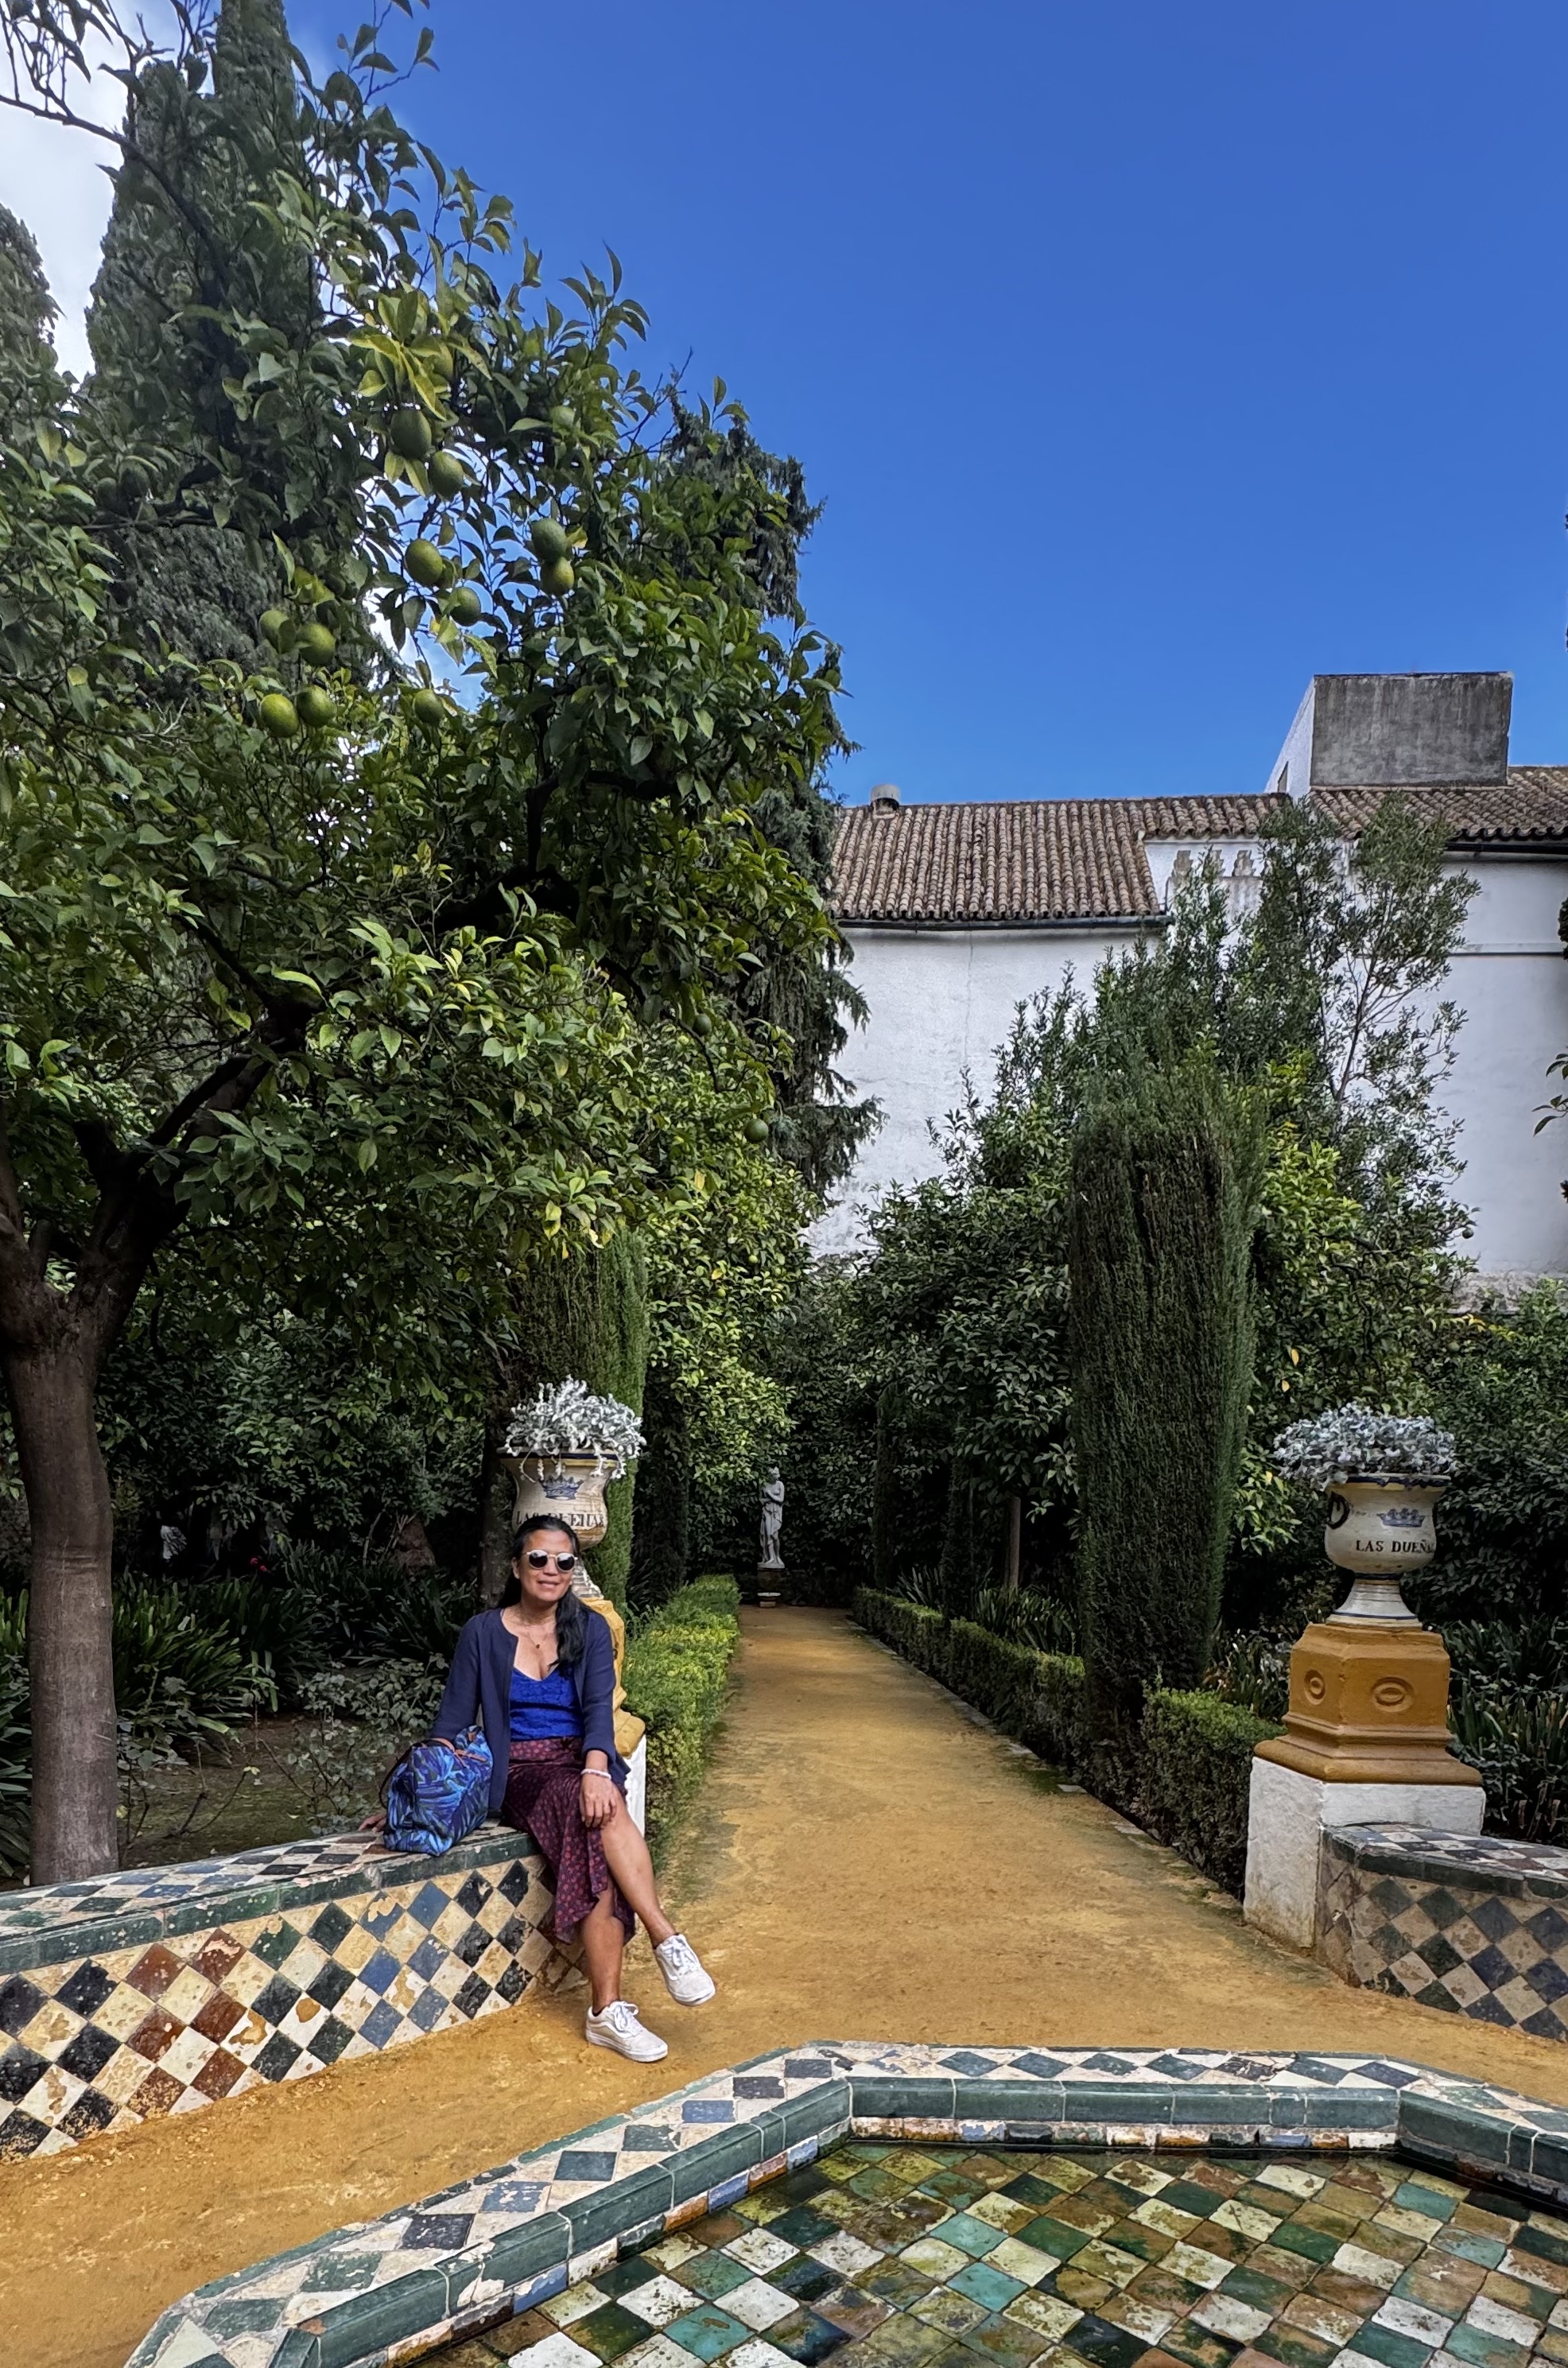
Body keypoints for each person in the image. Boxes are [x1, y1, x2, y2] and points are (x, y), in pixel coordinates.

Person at [432, 1515, 716, 2062]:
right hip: (521, 1772)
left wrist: (594, 1770)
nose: (552, 1570)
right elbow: (452, 1722)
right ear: (517, 1566)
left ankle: (609, 2010)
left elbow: (598, 1714)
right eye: (539, 1558)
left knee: (595, 1821)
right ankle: (663, 1940)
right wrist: (421, 1796)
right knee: (589, 1810)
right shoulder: (483, 1633)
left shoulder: (589, 1628)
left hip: (583, 1763)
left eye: (565, 1561)